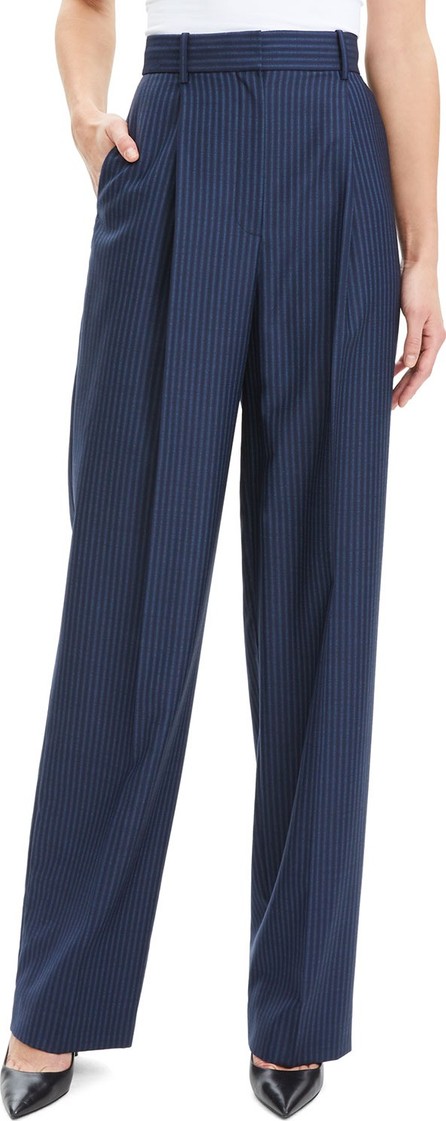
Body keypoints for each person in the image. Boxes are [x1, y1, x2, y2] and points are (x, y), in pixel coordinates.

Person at [2, 0, 445, 1117]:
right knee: (125, 584)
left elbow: (398, 35)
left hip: (333, 148)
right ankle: (57, 996)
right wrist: (84, 114)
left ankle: (296, 1010)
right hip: (174, 133)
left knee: (322, 592)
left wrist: (421, 248)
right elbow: (85, 10)